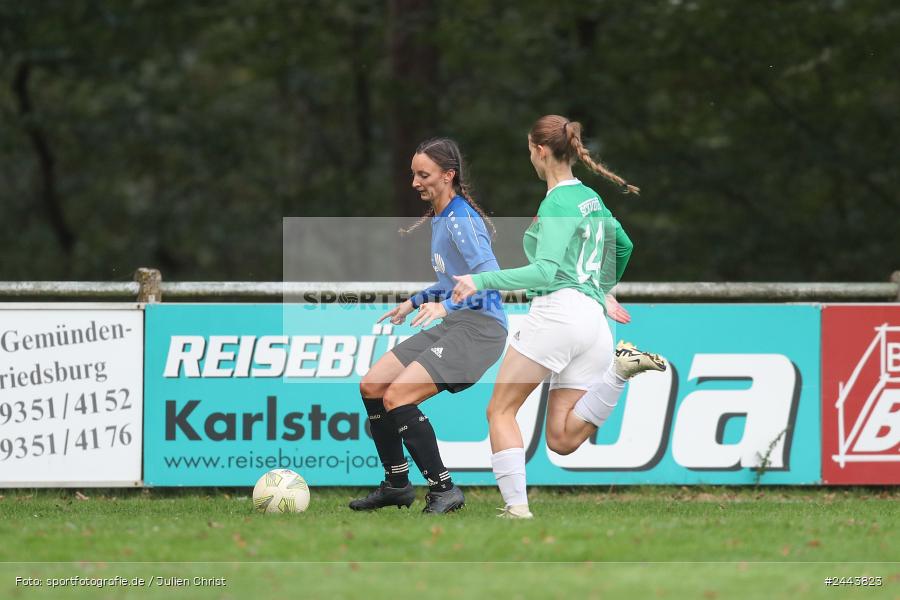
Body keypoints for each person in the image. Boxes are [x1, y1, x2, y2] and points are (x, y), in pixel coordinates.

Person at [452, 115, 666, 519]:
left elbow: (545, 272)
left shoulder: (556, 203)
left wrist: (480, 281)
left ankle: (517, 508)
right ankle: (619, 373)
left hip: (558, 315)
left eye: (528, 150)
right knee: (562, 439)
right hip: (593, 324)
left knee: (500, 410)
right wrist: (599, 289)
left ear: (540, 151)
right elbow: (624, 246)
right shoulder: (591, 198)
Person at [350, 138, 508, 514]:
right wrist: (415, 301)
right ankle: (396, 485)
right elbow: (450, 280)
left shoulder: (461, 220)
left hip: (480, 329)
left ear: (448, 175)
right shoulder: (442, 217)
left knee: (398, 397)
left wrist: (446, 306)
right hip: (457, 321)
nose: (415, 182)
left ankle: (444, 490)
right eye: (413, 174)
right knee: (373, 385)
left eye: (423, 175)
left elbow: (491, 279)